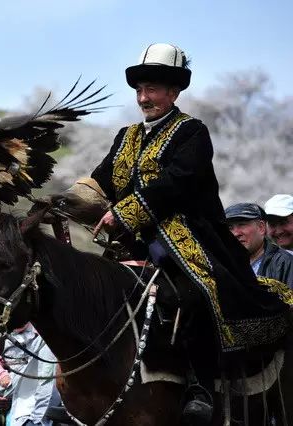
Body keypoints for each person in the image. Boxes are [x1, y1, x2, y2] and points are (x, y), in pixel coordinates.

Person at [47, 43, 292, 425]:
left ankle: (198, 387)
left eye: (153, 89)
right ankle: (81, 392)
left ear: (174, 92)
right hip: (134, 245)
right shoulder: (125, 136)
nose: (144, 98)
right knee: (92, 296)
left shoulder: (192, 132)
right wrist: (63, 201)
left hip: (193, 242)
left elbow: (174, 184)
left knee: (192, 295)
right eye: (140, 90)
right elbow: (100, 181)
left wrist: (122, 213)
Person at [225, 203, 293, 288]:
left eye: (242, 225)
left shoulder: (285, 263)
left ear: (261, 227)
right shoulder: (222, 264)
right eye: (230, 228)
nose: (235, 233)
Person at [2, 324, 55, 426]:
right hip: (18, 410)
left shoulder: (43, 338)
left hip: (35, 413)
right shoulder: (4, 339)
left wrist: (38, 419)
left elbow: (46, 384)